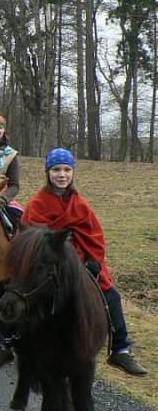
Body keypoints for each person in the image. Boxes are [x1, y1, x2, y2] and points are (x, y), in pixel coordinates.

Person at [21, 148, 146, 376]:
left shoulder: (81, 204)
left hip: (80, 264)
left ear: (73, 173)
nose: (62, 175)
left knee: (112, 295)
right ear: (48, 172)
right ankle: (7, 341)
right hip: (47, 266)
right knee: (16, 291)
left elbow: (95, 236)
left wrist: (93, 261)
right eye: (56, 170)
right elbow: (30, 238)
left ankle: (120, 349)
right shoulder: (37, 203)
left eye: (67, 170)